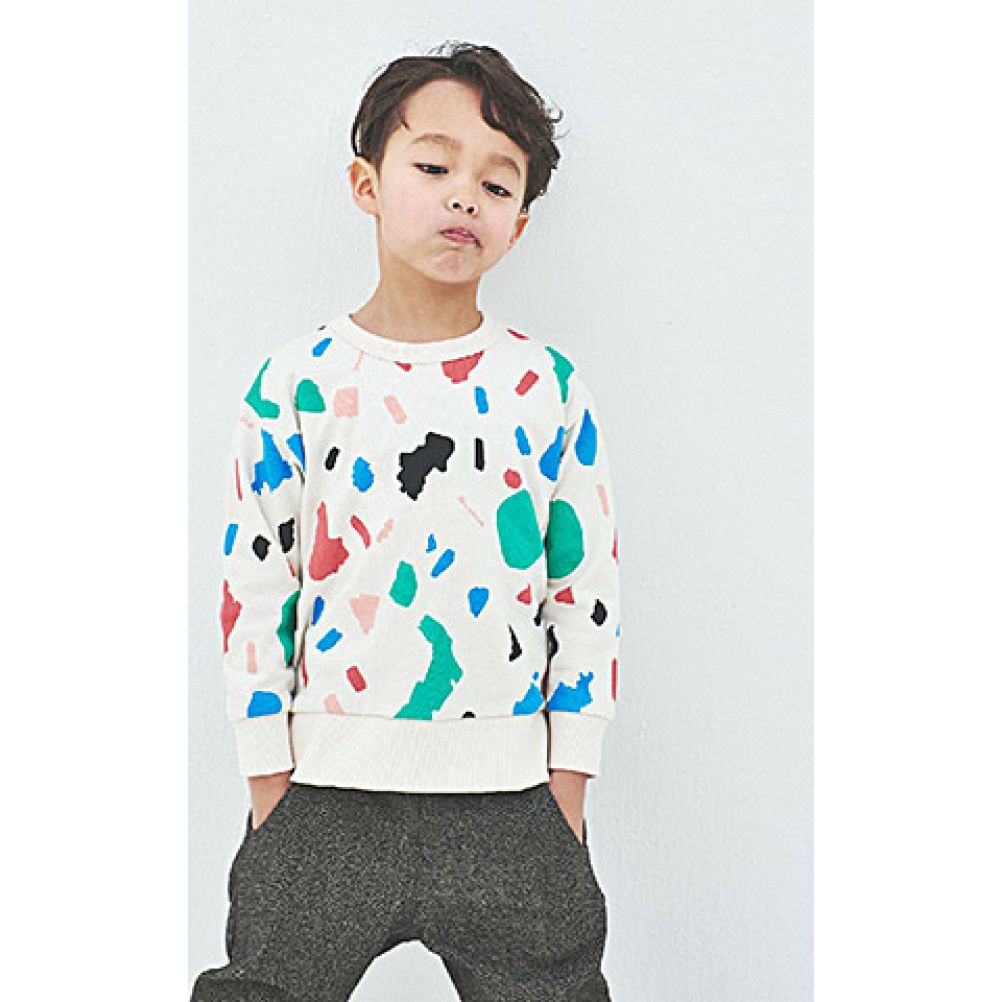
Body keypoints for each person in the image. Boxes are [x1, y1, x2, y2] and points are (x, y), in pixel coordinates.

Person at [191, 40, 622, 1002]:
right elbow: (255, 584)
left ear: (518, 221)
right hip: (324, 801)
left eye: (497, 184)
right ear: (367, 185)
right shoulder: (296, 383)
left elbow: (583, 592)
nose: (465, 197)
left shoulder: (548, 389)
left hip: (512, 805)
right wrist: (269, 782)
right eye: (433, 167)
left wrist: (567, 786)